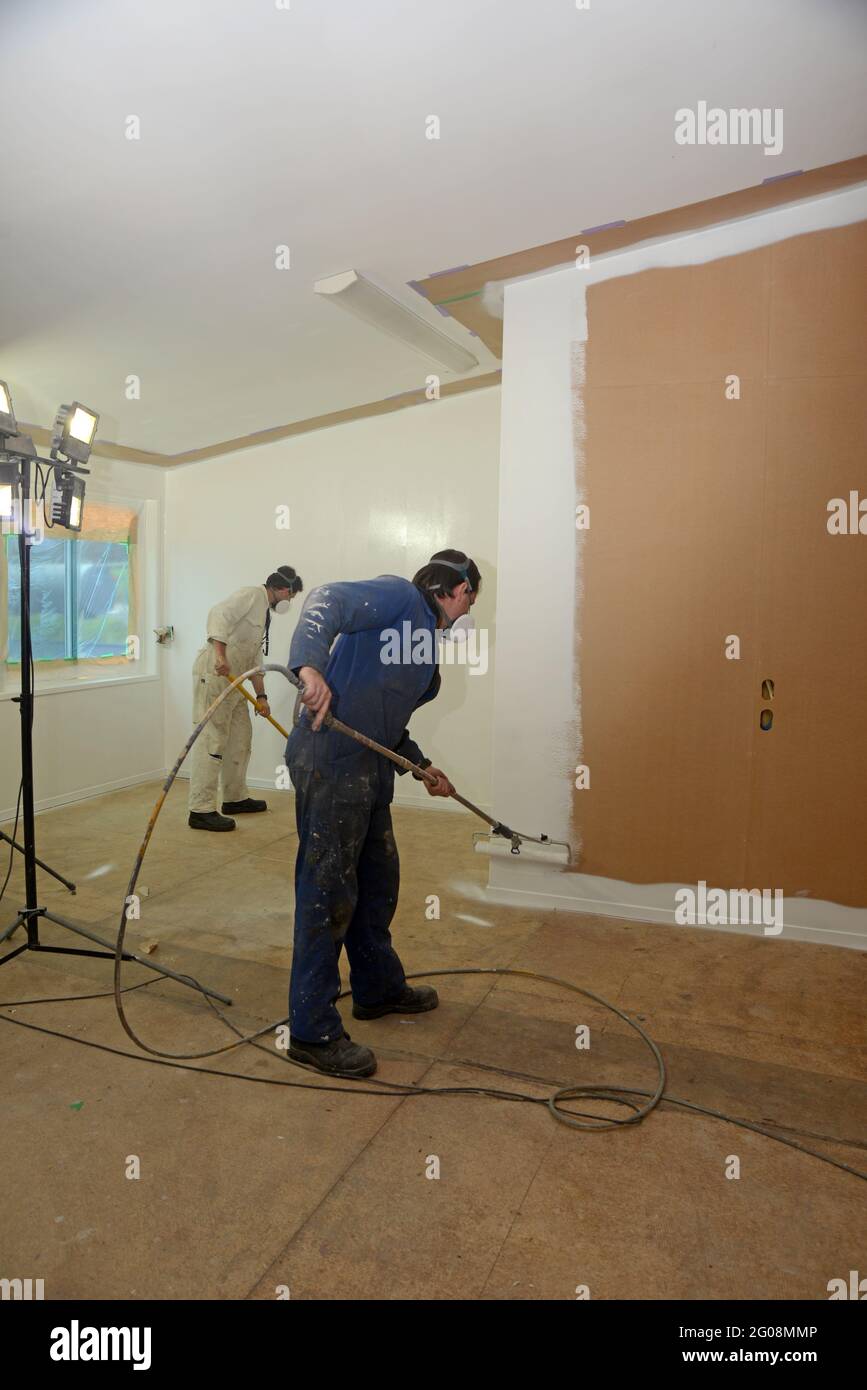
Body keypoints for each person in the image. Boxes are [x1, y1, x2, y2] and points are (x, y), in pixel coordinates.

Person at [283, 549, 481, 1077]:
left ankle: (376, 988)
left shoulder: (424, 647)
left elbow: (386, 721)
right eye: (470, 600)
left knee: (376, 882)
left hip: (369, 769)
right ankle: (311, 1031)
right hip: (330, 759)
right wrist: (309, 668)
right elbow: (325, 600)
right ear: (460, 591)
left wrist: (421, 765)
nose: (468, 611)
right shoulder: (399, 596)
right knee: (328, 891)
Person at [188, 565, 303, 831]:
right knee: (212, 740)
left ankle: (235, 798)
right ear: (282, 589)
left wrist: (261, 696)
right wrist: (219, 656)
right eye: (291, 596)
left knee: (240, 739)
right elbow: (219, 615)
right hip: (216, 676)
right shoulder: (251, 595)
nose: (289, 601)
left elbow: (253, 658)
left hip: (236, 681)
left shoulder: (263, 612)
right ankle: (200, 809)